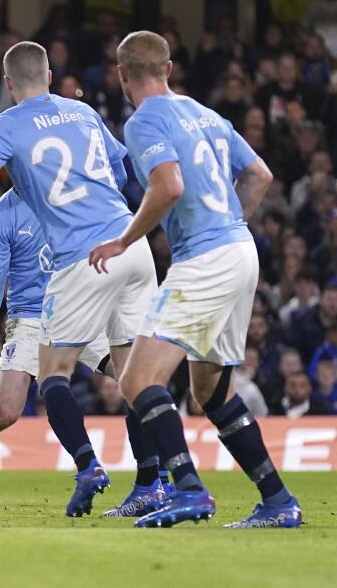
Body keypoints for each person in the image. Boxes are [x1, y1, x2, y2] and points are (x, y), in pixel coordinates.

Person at [0, 41, 156, 517]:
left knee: (108, 380)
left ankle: (118, 472)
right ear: (51, 76)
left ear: (8, 84)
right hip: (58, 296)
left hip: (83, 284)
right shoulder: (13, 204)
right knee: (6, 411)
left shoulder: (5, 129)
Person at [86, 31, 300, 528]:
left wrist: (123, 239)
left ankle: (189, 490)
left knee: (138, 378)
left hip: (205, 259)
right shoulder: (206, 113)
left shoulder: (143, 121)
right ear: (169, 68)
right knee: (210, 391)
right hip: (240, 251)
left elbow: (168, 186)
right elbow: (261, 175)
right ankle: (278, 500)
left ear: (122, 76)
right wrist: (229, 225)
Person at [0, 188, 169, 517]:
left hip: (82, 303)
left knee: (137, 381)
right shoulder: (4, 214)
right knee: (3, 412)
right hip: (30, 315)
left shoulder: (76, 187)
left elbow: (116, 165)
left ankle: (157, 481)